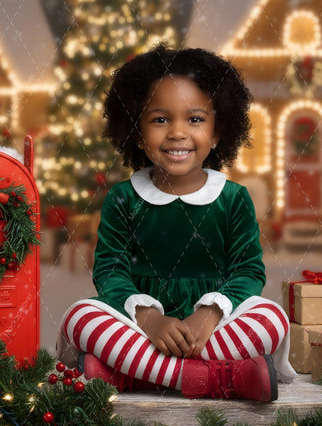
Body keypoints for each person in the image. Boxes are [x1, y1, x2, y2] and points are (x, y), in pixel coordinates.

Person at [60, 45, 292, 402]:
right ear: (137, 133)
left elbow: (248, 271)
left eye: (195, 119)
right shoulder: (124, 197)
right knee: (80, 317)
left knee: (271, 318)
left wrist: (211, 313)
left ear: (218, 132)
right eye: (160, 119)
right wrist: (149, 319)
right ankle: (218, 379)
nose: (177, 133)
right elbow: (109, 270)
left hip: (214, 327)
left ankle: (135, 376)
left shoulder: (232, 198)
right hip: (140, 325)